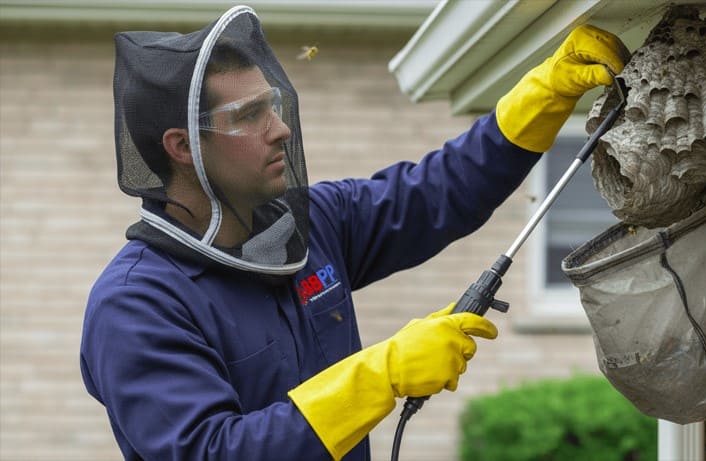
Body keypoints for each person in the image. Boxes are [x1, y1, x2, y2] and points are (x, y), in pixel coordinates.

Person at [80, 5, 628, 461]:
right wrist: (380, 375)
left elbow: (436, 192)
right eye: (250, 116)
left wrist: (546, 92)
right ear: (182, 147)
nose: (281, 129)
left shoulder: (311, 223)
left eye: (273, 105)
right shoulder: (137, 304)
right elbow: (212, 452)